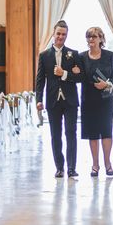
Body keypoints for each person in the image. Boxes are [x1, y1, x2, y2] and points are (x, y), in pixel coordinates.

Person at [35, 20, 82, 178]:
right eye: (58, 33)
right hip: (53, 101)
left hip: (70, 101)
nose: (61, 37)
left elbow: (80, 77)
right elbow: (40, 80)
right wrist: (39, 100)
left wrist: (66, 74)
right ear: (53, 34)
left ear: (67, 35)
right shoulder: (44, 56)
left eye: (64, 34)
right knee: (55, 135)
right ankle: (59, 167)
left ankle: (71, 168)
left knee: (71, 132)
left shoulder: (73, 54)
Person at [74, 27, 113, 178]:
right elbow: (79, 77)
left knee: (106, 130)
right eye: (88, 37)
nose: (90, 40)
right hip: (89, 99)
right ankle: (95, 164)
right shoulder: (81, 57)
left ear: (101, 38)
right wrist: (75, 72)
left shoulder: (110, 55)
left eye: (93, 37)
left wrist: (107, 84)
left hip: (106, 99)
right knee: (92, 133)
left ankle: (108, 163)